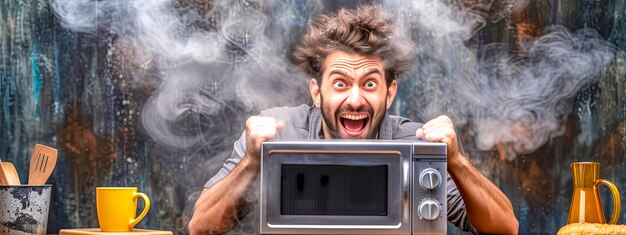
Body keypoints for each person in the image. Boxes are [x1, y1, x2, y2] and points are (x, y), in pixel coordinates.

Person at [189, 4, 518, 235]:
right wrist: (249, 161)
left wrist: (457, 161)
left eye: (370, 84)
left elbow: (506, 228)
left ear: (389, 94)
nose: (356, 99)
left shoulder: (416, 144)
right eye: (341, 84)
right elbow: (200, 226)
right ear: (317, 94)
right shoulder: (277, 132)